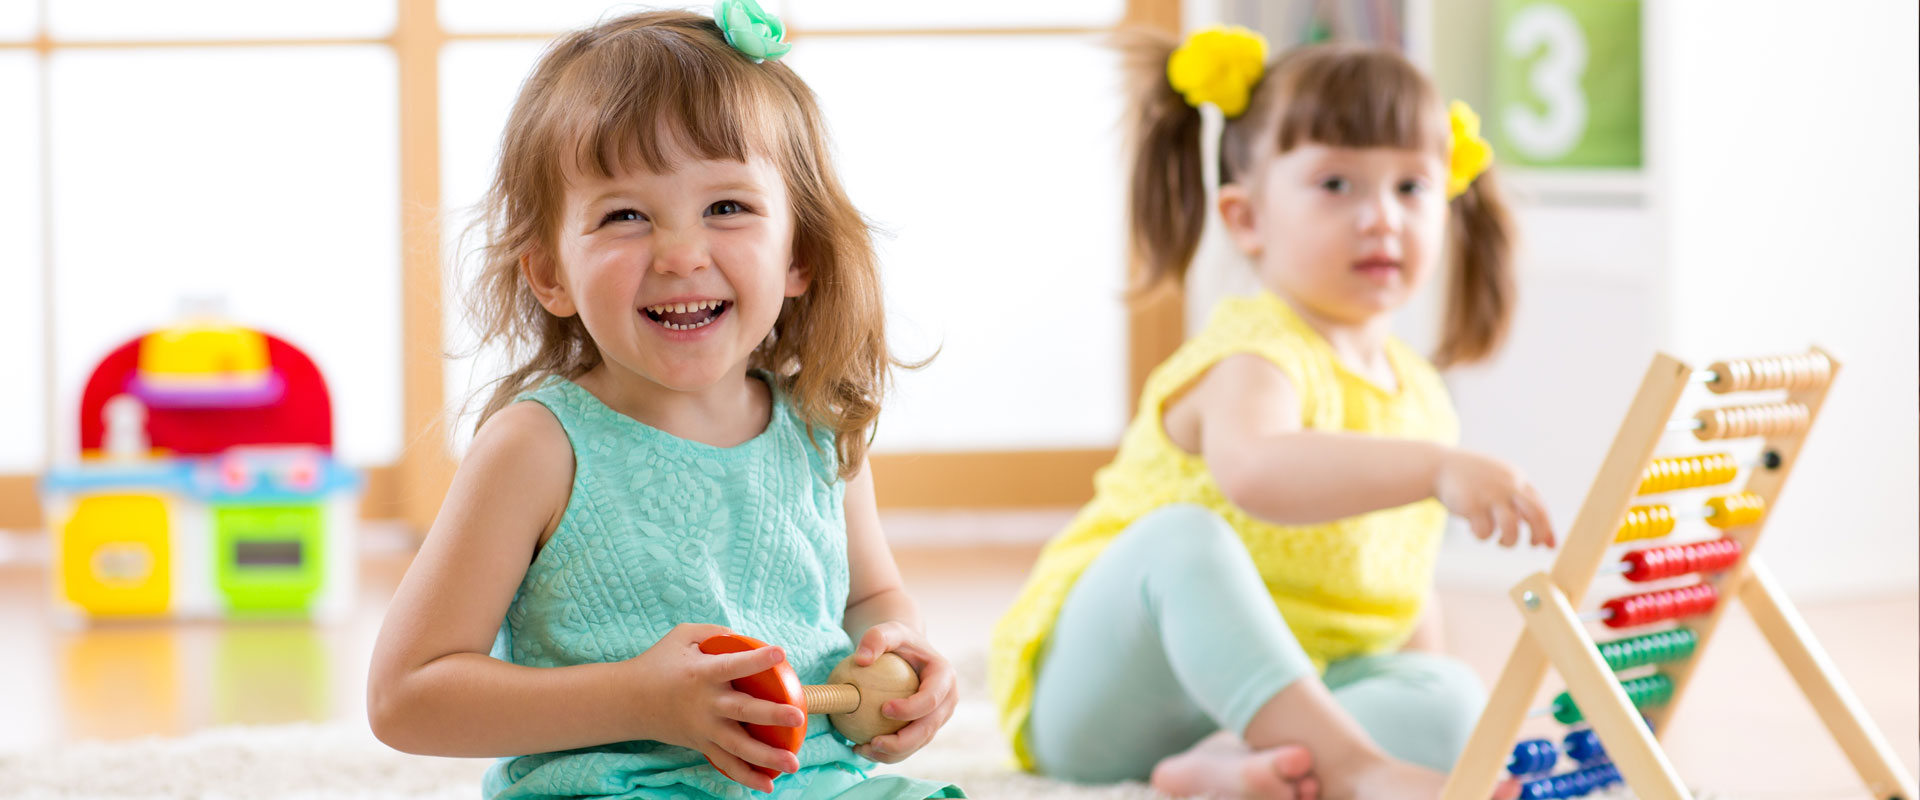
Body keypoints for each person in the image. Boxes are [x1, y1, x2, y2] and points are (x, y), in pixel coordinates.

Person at [366, 5, 962, 797]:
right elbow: (407, 697)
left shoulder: (818, 427)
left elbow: (870, 596)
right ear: (549, 274)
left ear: (800, 253)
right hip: (615, 786)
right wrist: (640, 699)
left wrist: (899, 653)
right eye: (625, 216)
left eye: (727, 208)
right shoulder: (537, 448)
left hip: (815, 781)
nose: (681, 255)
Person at [990, 26, 1551, 800]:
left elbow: (1406, 586)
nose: (1381, 217)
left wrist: (1424, 678)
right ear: (1247, 217)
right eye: (1336, 185)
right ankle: (1344, 767)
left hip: (1276, 710)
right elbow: (1256, 471)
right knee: (1183, 538)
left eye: (1411, 188)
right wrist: (1433, 469)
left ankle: (1232, 770)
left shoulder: (1419, 393)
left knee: (1452, 697)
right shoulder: (1255, 352)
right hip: (1110, 699)